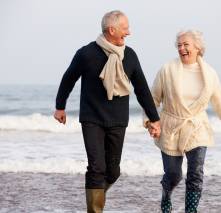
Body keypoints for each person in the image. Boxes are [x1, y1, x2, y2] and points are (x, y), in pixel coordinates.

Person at [54, 10, 161, 213]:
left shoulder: (129, 55)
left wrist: (154, 119)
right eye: (125, 28)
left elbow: (142, 89)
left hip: (118, 120)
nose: (129, 32)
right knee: (96, 168)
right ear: (112, 30)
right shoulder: (86, 54)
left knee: (112, 172)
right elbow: (68, 78)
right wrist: (60, 106)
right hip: (91, 118)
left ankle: (96, 199)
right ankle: (94, 210)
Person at [143, 29, 221, 213]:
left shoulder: (209, 73)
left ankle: (191, 211)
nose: (182, 48)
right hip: (171, 126)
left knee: (195, 173)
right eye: (179, 45)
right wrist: (150, 122)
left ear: (197, 47)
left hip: (197, 126)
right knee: (173, 175)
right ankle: (166, 192)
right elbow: (153, 99)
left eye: (186, 44)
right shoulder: (167, 70)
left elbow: (218, 100)